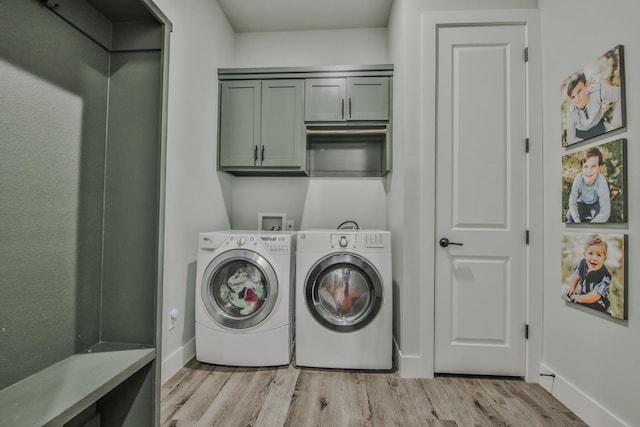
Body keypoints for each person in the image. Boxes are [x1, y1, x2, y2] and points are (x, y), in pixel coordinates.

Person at [564, 72, 621, 144]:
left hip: (599, 126)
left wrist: (614, 126)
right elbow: (571, 140)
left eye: (579, 91)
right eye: (573, 97)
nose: (577, 98)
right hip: (582, 135)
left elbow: (620, 94)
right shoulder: (571, 112)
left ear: (586, 85)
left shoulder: (598, 91)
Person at [563, 234, 611, 314]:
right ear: (584, 254)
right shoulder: (583, 263)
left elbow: (595, 296)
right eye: (590, 253)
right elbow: (576, 276)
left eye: (598, 255)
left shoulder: (605, 276)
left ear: (604, 259)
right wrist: (572, 287)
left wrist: (580, 298)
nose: (594, 258)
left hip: (599, 304)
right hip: (584, 295)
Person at [566, 147, 610, 223]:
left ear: (599, 168)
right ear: (582, 168)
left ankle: (590, 218)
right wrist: (577, 220)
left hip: (596, 203)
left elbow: (605, 211)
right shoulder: (579, 179)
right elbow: (572, 202)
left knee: (602, 218)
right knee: (570, 215)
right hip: (583, 202)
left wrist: (591, 225)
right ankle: (586, 217)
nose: (588, 171)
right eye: (585, 166)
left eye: (593, 166)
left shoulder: (601, 182)